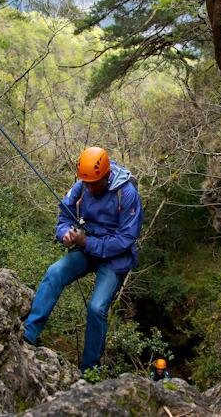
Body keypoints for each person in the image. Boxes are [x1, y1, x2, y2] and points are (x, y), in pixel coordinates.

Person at [22, 146, 143, 373]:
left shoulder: (126, 194)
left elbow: (127, 238)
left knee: (97, 308)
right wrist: (66, 235)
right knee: (55, 272)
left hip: (114, 258)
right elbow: (63, 218)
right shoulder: (82, 186)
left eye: (94, 183)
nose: (89, 187)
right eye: (85, 183)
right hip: (86, 248)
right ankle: (29, 334)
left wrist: (87, 242)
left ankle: (90, 370)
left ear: (106, 176)